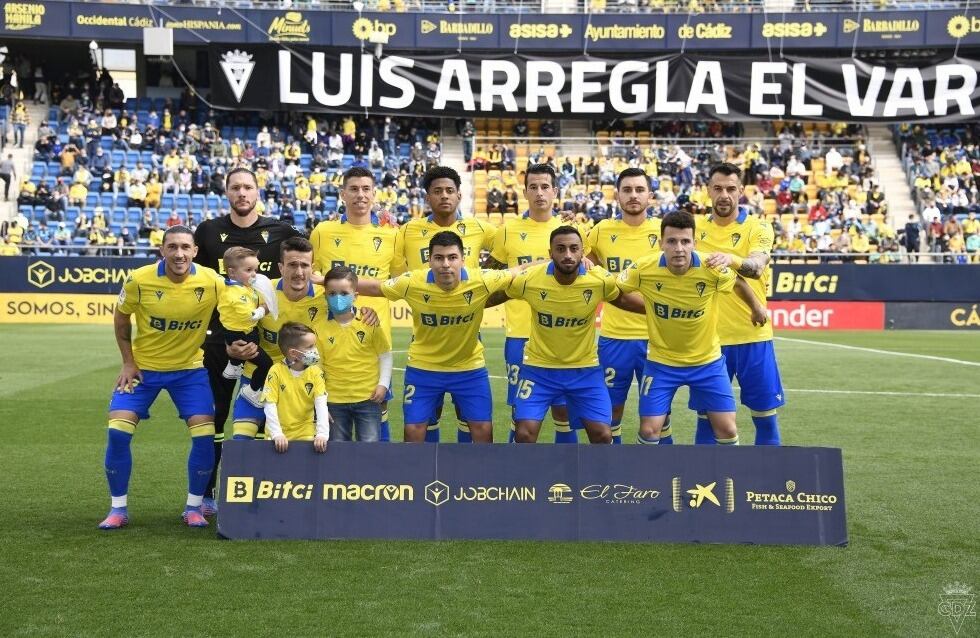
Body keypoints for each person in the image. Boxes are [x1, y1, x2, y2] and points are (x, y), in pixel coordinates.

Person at [99, 225, 225, 530]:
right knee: (117, 432)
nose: (179, 253)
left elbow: (242, 302)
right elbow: (120, 317)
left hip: (190, 370)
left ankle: (193, 507)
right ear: (162, 251)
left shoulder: (212, 281)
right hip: (144, 369)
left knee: (205, 435)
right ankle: (118, 510)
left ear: (195, 251)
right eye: (172, 247)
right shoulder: (139, 279)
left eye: (185, 247)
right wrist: (128, 362)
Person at [192, 167, 301, 514]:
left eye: (248, 187)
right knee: (215, 419)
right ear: (227, 192)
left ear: (258, 191)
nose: (242, 193)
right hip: (219, 344)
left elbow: (303, 266)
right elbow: (200, 288)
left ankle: (262, 493)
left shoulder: (281, 231)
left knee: (263, 421)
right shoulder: (208, 231)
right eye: (235, 187)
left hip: (266, 343)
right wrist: (225, 342)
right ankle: (205, 495)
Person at [616, 211, 767, 446]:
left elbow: (738, 282)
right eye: (672, 241)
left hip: (707, 362)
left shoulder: (711, 268)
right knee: (649, 431)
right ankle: (648, 480)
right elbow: (616, 289)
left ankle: (729, 481)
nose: (679, 248)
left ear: (694, 244)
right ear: (661, 243)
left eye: (685, 241)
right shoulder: (643, 268)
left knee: (727, 430)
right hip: (661, 362)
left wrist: (756, 308)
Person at [358, 231, 517, 443]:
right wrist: (322, 280)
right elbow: (375, 287)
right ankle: (418, 476)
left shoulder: (482, 279)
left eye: (452, 257)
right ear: (429, 260)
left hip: (469, 369)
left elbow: (519, 271)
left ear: (462, 259)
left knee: (483, 430)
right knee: (413, 431)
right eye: (439, 258)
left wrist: (558, 261)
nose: (446, 264)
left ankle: (480, 476)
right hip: (424, 368)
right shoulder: (412, 282)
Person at [506, 226, 645, 444]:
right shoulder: (529, 279)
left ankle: (600, 478)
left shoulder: (599, 279)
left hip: (585, 370)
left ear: (583, 252)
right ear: (550, 253)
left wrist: (665, 310)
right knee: (524, 433)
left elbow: (625, 300)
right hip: (538, 369)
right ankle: (525, 478)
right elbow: (495, 295)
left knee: (602, 434)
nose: (568, 255)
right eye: (560, 249)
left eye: (574, 249)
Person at [393, 166, 496, 442]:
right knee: (428, 415)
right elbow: (388, 269)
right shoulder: (407, 231)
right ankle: (429, 473)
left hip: (466, 328)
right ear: (427, 197)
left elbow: (511, 253)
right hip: (427, 329)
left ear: (460, 194)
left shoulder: (479, 228)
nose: (444, 196)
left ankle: (466, 477)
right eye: (437, 191)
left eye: (450, 190)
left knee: (470, 416)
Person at [691, 162, 784, 446]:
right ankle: (701, 486)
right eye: (718, 188)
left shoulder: (758, 227)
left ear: (741, 191)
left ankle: (767, 486)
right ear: (708, 191)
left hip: (752, 336)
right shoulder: (694, 229)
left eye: (731, 189)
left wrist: (729, 258)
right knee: (707, 418)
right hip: (709, 341)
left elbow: (756, 266)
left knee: (765, 416)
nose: (724, 195)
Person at [484, 164, 577, 443]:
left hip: (564, 337)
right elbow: (492, 280)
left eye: (545, 186)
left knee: (564, 414)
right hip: (520, 337)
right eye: (533, 187)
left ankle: (568, 475)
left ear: (556, 191)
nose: (539, 193)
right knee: (521, 417)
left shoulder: (571, 230)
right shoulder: (507, 232)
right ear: (524, 192)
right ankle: (518, 481)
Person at [309, 166, 399, 441]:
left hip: (373, 340)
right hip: (333, 340)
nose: (360, 195)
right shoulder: (322, 232)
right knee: (333, 420)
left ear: (374, 194)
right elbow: (310, 277)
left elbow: (397, 285)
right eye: (354, 189)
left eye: (366, 189)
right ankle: (337, 481)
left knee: (377, 416)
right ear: (342, 194)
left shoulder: (392, 236)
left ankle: (379, 482)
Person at [586, 167, 665, 444]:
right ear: (617, 195)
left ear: (650, 195)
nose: (633, 195)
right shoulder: (601, 231)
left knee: (659, 418)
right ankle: (611, 474)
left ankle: (658, 475)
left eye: (640, 190)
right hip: (614, 338)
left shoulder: (663, 232)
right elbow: (584, 266)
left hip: (656, 339)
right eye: (627, 190)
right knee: (609, 414)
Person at [319, 266, 392, 442]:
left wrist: (383, 385)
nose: (338, 298)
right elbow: (317, 368)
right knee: (337, 450)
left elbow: (385, 355)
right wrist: (321, 402)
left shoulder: (369, 323)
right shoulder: (318, 329)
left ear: (355, 295)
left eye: (344, 293)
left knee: (368, 449)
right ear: (325, 295)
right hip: (334, 400)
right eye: (332, 293)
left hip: (368, 398)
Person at [217, 246, 274, 406]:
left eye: (255, 269)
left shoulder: (243, 288)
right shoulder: (236, 293)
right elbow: (250, 315)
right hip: (240, 334)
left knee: (254, 335)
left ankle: (233, 366)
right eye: (249, 270)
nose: (254, 274)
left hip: (237, 331)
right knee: (266, 364)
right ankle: (251, 391)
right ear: (232, 272)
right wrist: (263, 309)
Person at [262, 322, 329, 454]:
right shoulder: (275, 371)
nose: (315, 350)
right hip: (276, 435)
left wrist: (322, 434)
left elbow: (321, 405)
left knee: (301, 472)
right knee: (275, 474)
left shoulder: (316, 372)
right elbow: (269, 405)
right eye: (310, 347)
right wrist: (277, 434)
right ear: (293, 353)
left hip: (305, 434)